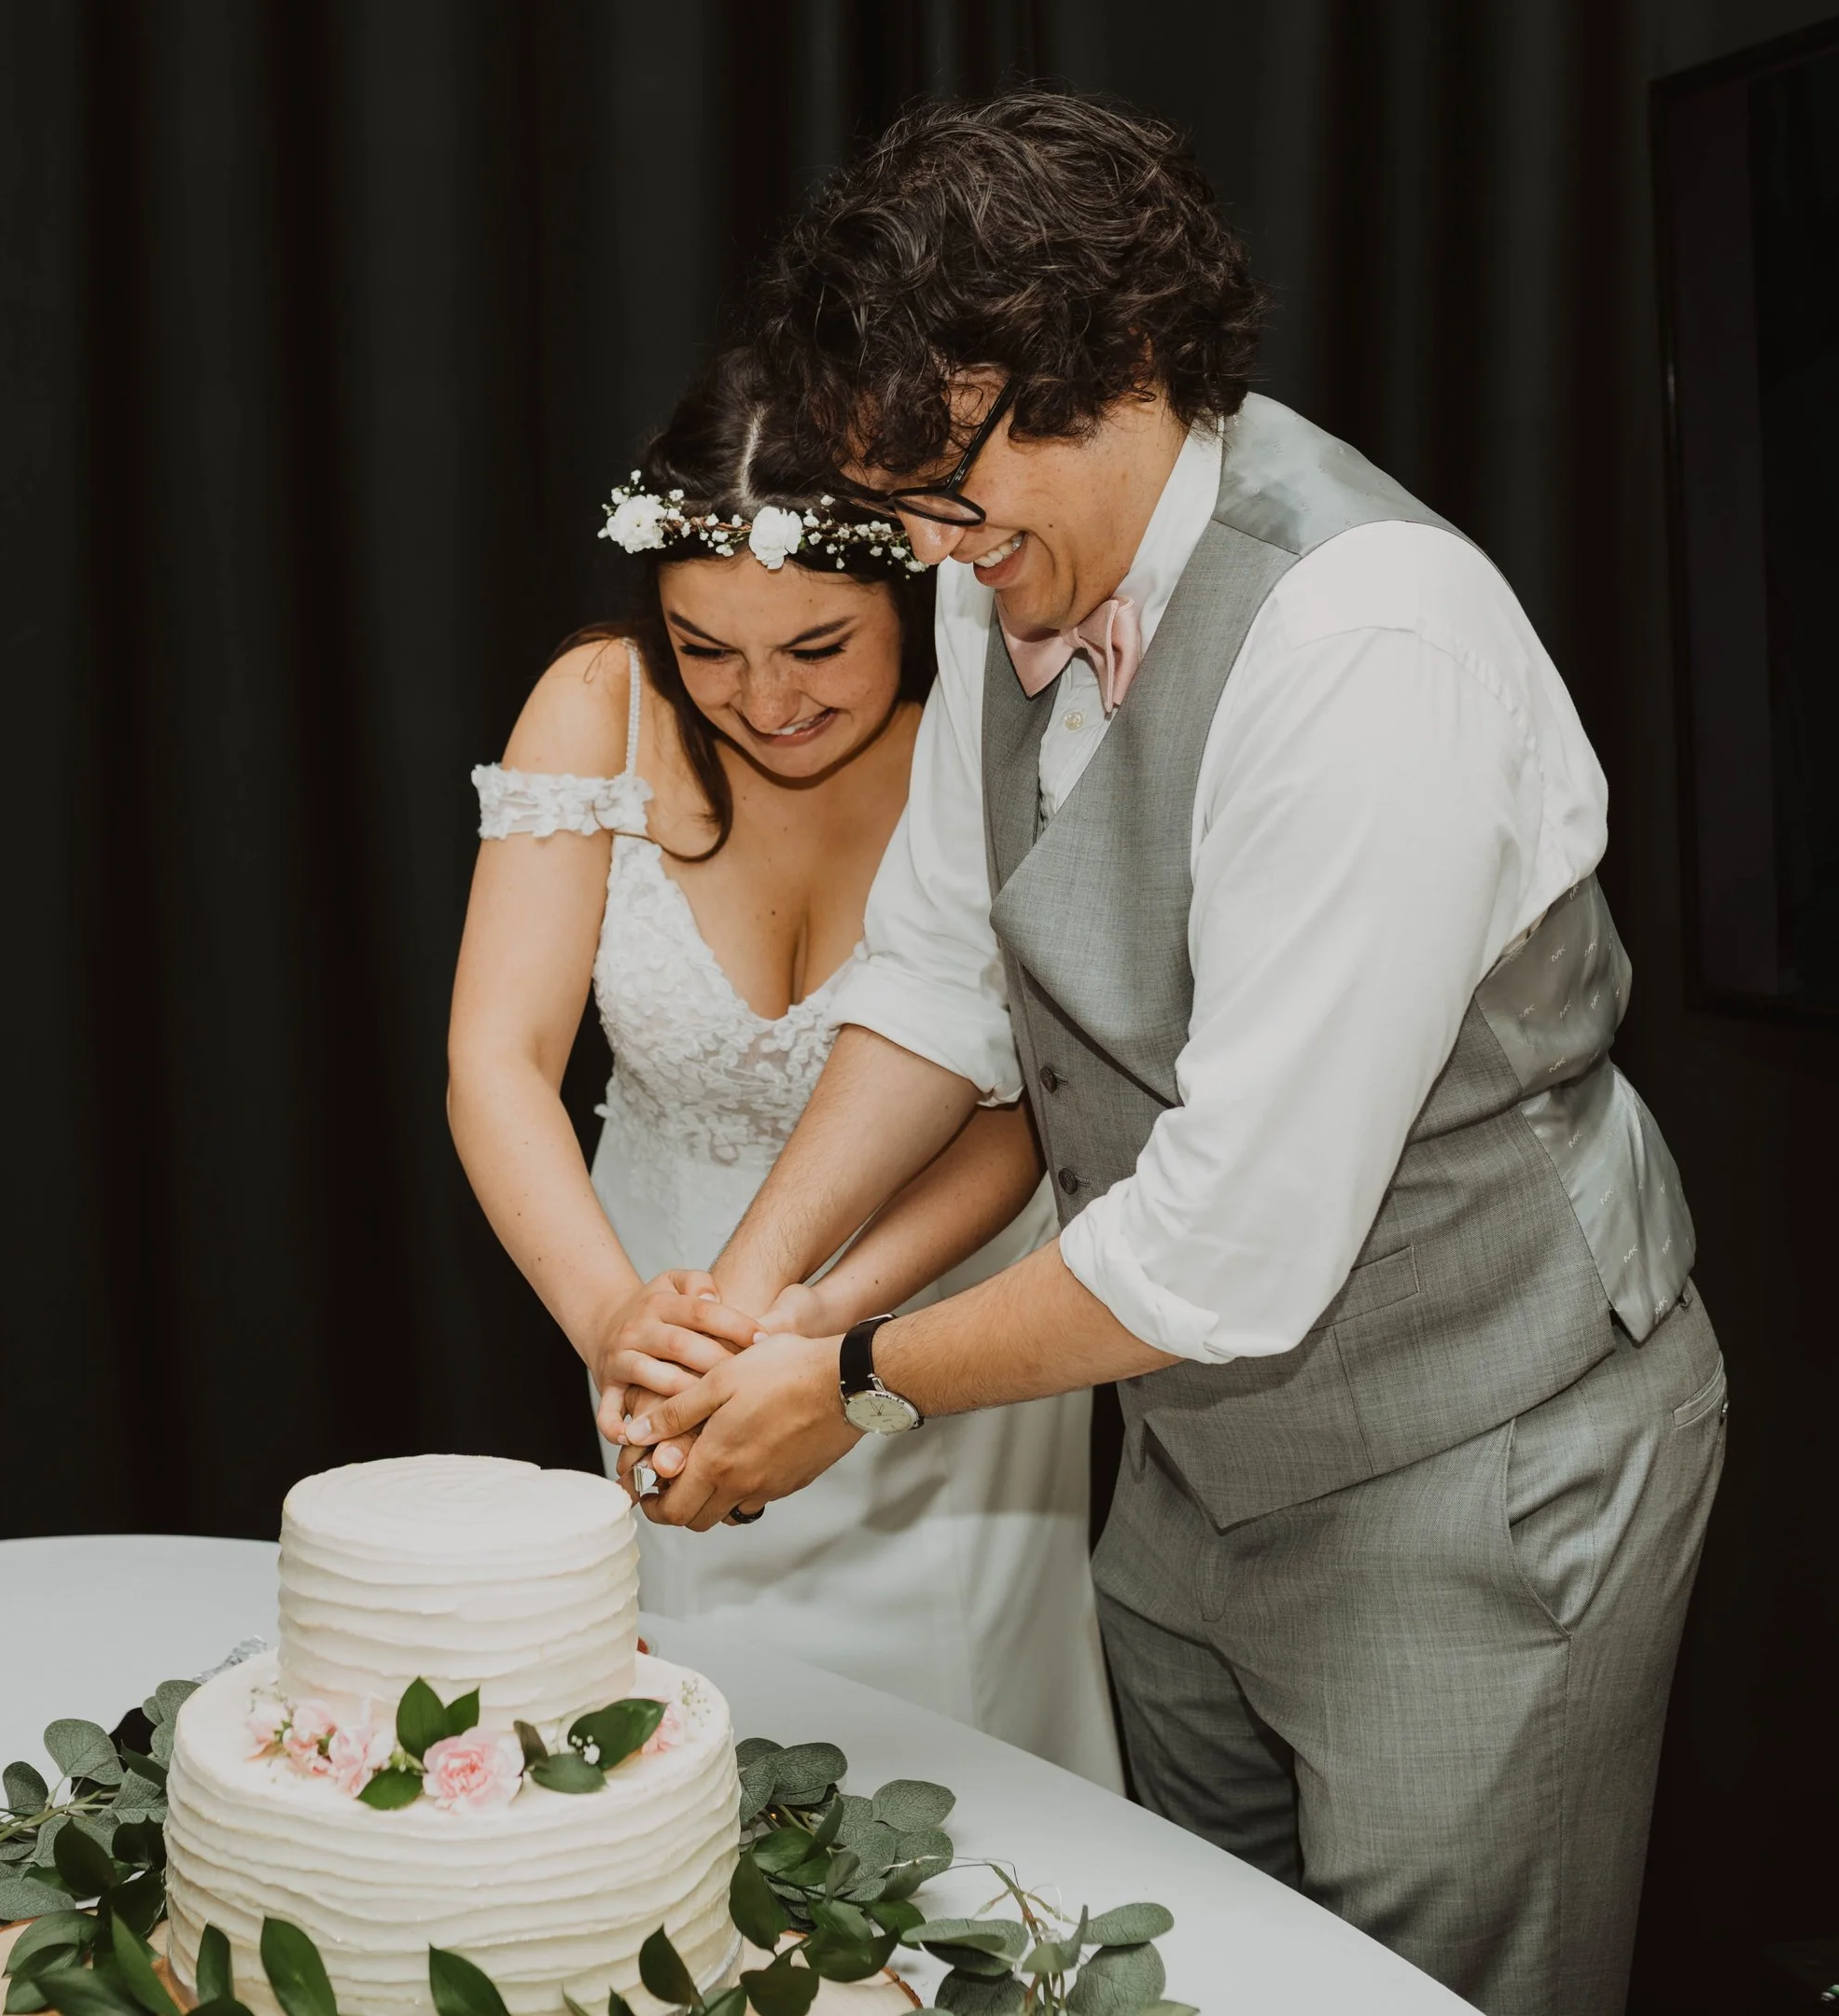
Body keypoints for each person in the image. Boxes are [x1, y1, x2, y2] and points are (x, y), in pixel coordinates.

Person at [615, 92, 1723, 2016]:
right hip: (1196, 1474)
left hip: (1478, 1477)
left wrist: (851, 1386)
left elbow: (1224, 1246)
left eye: (951, 496)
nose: (936, 556)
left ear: (1114, 375)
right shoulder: (996, 565)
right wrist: (745, 1292)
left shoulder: (1366, 643)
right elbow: (943, 972)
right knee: (1185, 1977)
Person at [447, 347, 1121, 1784]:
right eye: (708, 649)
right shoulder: (599, 704)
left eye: (818, 647)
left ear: (913, 588)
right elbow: (498, 1058)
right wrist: (617, 1316)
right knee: (684, 1759)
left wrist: (818, 1326)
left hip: (936, 1309)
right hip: (664, 1314)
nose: (764, 700)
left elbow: (1026, 1116)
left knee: (961, 1767)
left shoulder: (1008, 727)